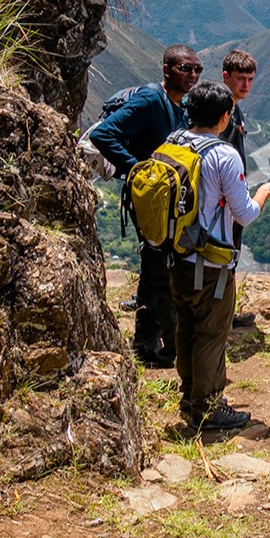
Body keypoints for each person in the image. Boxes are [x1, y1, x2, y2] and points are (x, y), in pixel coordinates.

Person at [169, 80, 270, 430]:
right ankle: (207, 408)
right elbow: (245, 214)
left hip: (177, 255)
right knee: (212, 333)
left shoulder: (173, 143)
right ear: (225, 117)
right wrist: (264, 192)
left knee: (186, 327)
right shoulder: (223, 155)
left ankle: (190, 394)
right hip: (210, 262)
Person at [90, 45, 204, 368]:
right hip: (150, 201)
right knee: (162, 271)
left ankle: (146, 342)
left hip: (165, 202)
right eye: (185, 68)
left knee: (155, 269)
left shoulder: (179, 105)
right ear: (167, 69)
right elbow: (103, 134)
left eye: (197, 69)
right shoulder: (151, 100)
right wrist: (137, 169)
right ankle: (169, 347)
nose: (193, 75)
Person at [220, 49, 257, 328]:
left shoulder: (234, 109)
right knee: (225, 254)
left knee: (230, 253)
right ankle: (223, 316)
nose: (245, 85)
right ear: (226, 77)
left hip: (231, 194)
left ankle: (225, 313)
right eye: (240, 78)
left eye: (250, 79)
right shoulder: (222, 111)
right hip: (223, 199)